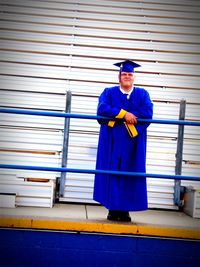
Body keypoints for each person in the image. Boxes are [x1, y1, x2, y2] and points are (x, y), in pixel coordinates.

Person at [93, 60, 153, 222]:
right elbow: (102, 109)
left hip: (133, 141)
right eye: (124, 74)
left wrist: (118, 119)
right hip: (111, 140)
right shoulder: (109, 92)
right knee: (111, 172)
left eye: (130, 74)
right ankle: (112, 209)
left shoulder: (142, 94)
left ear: (134, 77)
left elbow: (147, 113)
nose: (127, 76)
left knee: (129, 172)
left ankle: (125, 210)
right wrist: (124, 114)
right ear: (119, 76)